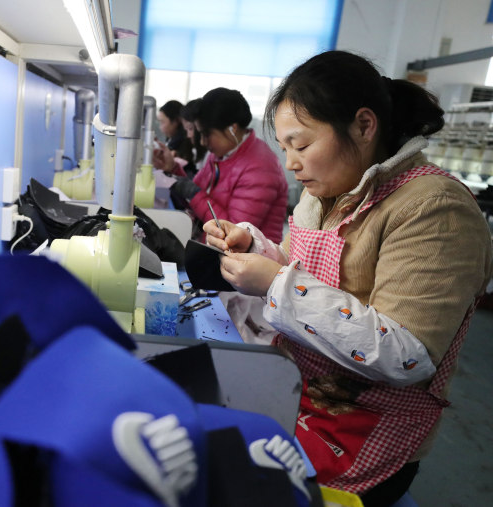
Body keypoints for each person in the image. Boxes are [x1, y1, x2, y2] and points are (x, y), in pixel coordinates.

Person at [203, 50, 493, 506]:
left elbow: (405, 354)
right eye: (284, 149)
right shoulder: (324, 196)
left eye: (301, 145)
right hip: (297, 391)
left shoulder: (432, 207)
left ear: (363, 125)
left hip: (366, 426)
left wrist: (276, 282)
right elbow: (308, 275)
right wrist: (255, 249)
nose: (291, 165)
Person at [171, 87, 288, 243]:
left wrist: (193, 193)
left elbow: (233, 231)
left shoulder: (260, 167)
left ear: (232, 128)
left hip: (248, 261)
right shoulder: (220, 154)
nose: (202, 142)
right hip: (218, 252)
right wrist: (172, 168)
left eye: (207, 134)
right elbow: (196, 192)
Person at [156, 100, 194, 167]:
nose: (160, 127)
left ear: (175, 121)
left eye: (162, 122)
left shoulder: (185, 147)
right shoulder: (170, 141)